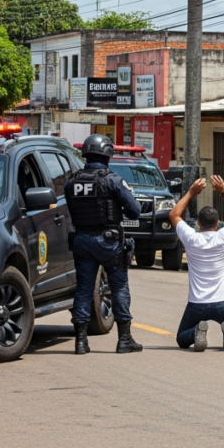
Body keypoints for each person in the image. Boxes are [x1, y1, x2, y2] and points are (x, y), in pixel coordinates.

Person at [66, 134, 142, 355]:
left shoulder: (71, 181)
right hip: (109, 242)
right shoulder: (113, 180)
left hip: (81, 240)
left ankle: (81, 342)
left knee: (83, 290)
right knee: (119, 288)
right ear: (107, 154)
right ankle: (124, 340)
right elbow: (135, 211)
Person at [169, 175, 224, 352]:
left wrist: (191, 192)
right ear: (218, 224)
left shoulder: (191, 238)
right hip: (223, 302)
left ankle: (197, 331)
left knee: (182, 339)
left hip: (197, 303)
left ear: (198, 224)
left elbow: (174, 214)